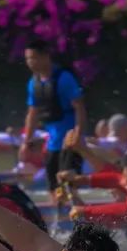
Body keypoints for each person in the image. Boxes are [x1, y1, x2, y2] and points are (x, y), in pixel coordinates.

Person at [20, 39, 87, 191]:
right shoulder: (33, 83)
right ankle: (58, 214)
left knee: (70, 186)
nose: (30, 62)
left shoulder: (64, 78)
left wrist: (78, 135)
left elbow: (79, 107)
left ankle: (77, 213)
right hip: (52, 144)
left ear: (45, 56)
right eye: (27, 59)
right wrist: (26, 142)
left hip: (70, 142)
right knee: (53, 187)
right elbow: (33, 112)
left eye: (33, 58)